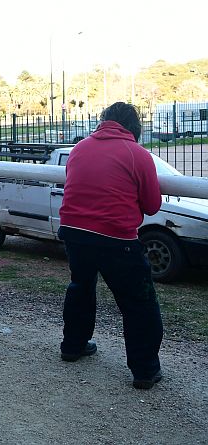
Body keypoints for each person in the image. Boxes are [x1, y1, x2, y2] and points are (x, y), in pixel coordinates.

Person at [58, 102, 163, 389]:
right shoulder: (137, 154)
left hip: (74, 233)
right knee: (138, 304)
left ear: (103, 122)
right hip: (117, 240)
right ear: (135, 127)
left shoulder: (79, 148)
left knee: (80, 287)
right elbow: (152, 206)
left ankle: (72, 346)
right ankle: (145, 371)